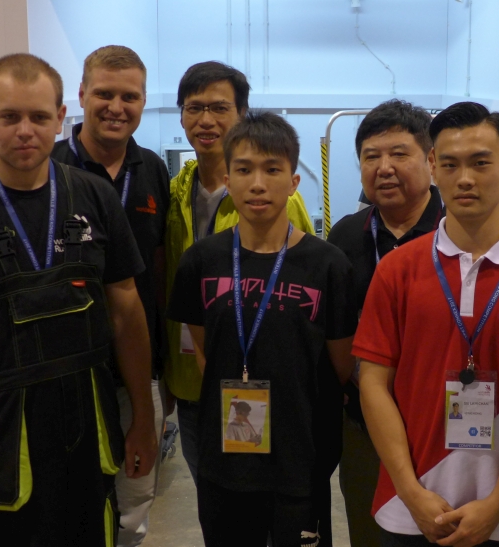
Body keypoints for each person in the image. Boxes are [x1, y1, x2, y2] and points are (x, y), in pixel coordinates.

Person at [0, 53, 158, 547]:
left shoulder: (95, 197)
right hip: (4, 429)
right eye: (9, 116)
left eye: (40, 117)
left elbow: (127, 311)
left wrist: (144, 422)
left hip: (91, 416)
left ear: (62, 117)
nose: (25, 130)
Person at [355, 101, 499, 547]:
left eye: (481, 163)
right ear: (433, 166)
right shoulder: (396, 271)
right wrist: (410, 491)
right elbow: (373, 385)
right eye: (451, 164)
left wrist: (497, 503)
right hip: (409, 508)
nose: (466, 179)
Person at [168, 111, 357, 547]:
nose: (258, 183)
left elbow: (340, 364)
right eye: (244, 169)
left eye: (273, 170)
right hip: (226, 460)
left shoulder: (328, 265)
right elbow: (203, 352)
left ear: (293, 181)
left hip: (301, 457)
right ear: (229, 180)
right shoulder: (200, 261)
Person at [164, 61, 314, 485]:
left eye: (219, 108)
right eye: (194, 108)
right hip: (193, 384)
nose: (205, 120)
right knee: (219, 507)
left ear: (242, 114)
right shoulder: (175, 189)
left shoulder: (275, 199)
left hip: (266, 387)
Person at [51, 45, 169, 547]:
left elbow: (159, 269)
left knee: (135, 497)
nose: (116, 106)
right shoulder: (49, 168)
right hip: (66, 374)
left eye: (130, 96)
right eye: (104, 93)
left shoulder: (153, 171)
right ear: (81, 95)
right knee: (69, 502)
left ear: (143, 102)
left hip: (138, 373)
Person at [326, 98, 444, 547]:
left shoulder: (455, 233)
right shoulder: (344, 236)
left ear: (430, 161)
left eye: (399, 154)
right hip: (363, 424)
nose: (384, 167)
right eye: (371, 157)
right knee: (370, 530)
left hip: (444, 421)